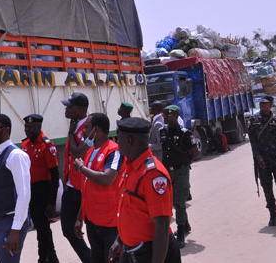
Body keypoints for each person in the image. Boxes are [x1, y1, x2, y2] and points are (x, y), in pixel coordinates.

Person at [109, 118, 181, 263]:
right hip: (134, 250)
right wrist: (120, 240)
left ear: (129, 140)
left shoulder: (153, 174)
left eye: (119, 138)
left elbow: (162, 226)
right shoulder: (130, 167)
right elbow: (131, 211)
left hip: (152, 252)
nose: (117, 143)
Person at [73, 113, 124, 263]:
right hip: (93, 222)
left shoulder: (113, 151)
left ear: (96, 130)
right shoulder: (90, 152)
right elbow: (86, 188)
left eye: (86, 127)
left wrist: (82, 168)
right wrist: (79, 217)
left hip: (111, 224)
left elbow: (107, 179)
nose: (83, 131)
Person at [0, 113, 32, 263]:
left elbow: (24, 194)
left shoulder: (16, 155)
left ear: (6, 130)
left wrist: (16, 229)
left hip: (10, 222)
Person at [247, 95, 276, 229]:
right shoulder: (253, 120)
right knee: (267, 190)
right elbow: (253, 142)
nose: (262, 105)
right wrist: (257, 157)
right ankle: (273, 216)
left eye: (265, 103)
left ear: (271, 105)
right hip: (263, 162)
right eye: (261, 103)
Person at [20, 114, 60, 263]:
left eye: (30, 127)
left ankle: (45, 258)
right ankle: (50, 257)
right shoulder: (24, 145)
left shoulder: (47, 145)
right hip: (30, 191)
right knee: (41, 228)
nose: (27, 130)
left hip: (43, 191)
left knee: (42, 229)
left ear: (39, 127)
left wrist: (52, 202)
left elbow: (55, 176)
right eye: (26, 127)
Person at [160, 105, 198, 248]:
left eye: (168, 115)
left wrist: (186, 162)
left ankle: (181, 232)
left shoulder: (186, 133)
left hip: (181, 171)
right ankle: (186, 224)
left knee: (180, 201)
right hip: (166, 171)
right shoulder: (161, 131)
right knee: (172, 201)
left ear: (176, 116)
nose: (166, 118)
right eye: (164, 115)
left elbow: (195, 150)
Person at [60, 92, 92, 262]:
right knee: (67, 229)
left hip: (83, 188)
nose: (66, 109)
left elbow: (78, 152)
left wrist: (71, 133)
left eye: (69, 106)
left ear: (80, 109)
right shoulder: (75, 125)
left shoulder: (89, 126)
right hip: (71, 186)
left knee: (91, 229)